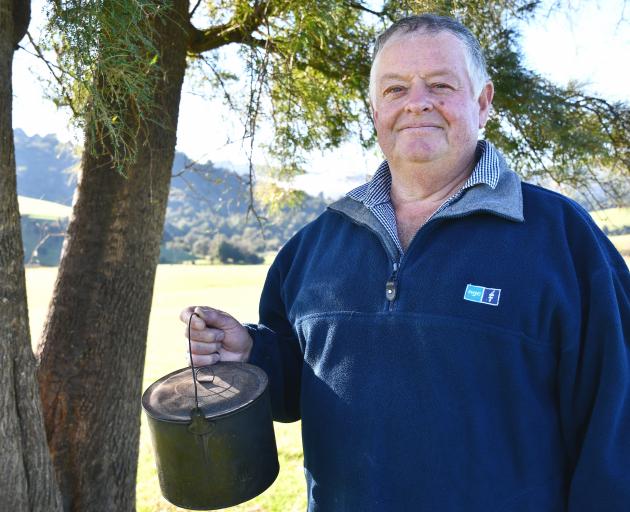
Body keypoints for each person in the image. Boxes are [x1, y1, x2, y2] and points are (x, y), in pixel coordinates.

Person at [180, 14, 630, 511]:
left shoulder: (564, 240)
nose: (418, 102)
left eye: (440, 84)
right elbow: (299, 386)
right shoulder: (313, 247)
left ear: (483, 104)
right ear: (375, 110)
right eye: (395, 89)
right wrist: (250, 354)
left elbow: (617, 428)